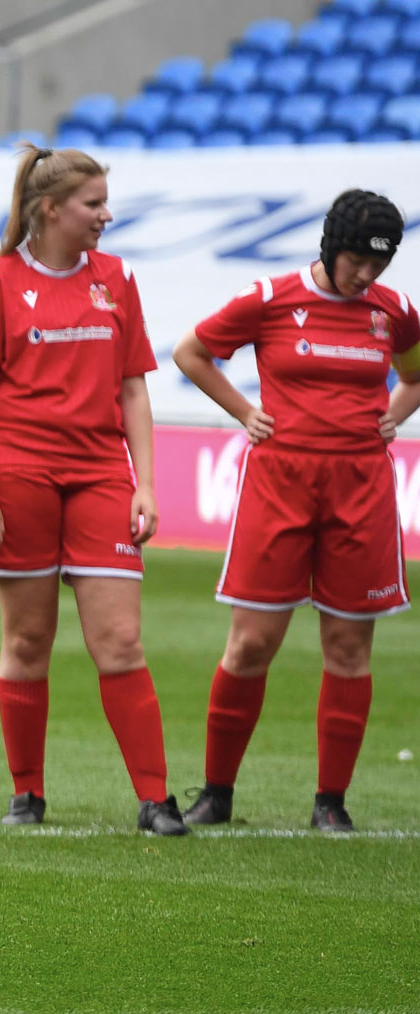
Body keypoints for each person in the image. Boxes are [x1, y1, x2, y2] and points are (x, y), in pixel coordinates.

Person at [170, 190, 420, 833]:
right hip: (279, 487)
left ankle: (330, 802)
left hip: (361, 491)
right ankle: (217, 793)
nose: (367, 274)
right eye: (358, 259)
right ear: (331, 245)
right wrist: (244, 412)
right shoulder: (270, 299)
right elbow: (191, 352)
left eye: (380, 264)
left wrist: (390, 417)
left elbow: (415, 376)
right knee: (252, 642)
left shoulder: (393, 312)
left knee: (347, 646)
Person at [0, 146, 187, 835]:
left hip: (99, 476)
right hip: (20, 476)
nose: (105, 216)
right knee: (28, 640)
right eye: (93, 204)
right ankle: (27, 794)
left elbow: (133, 387)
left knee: (119, 639)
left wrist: (145, 482)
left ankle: (154, 799)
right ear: (51, 209)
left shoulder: (116, 279)